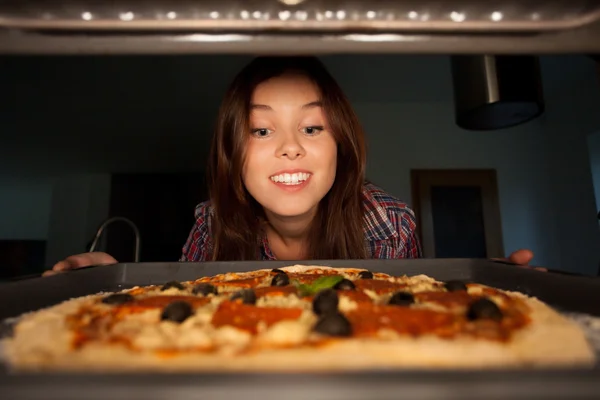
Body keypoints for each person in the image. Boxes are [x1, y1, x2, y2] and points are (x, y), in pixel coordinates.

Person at [44, 56, 535, 277]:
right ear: (233, 153)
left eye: (313, 127)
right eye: (261, 131)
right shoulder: (211, 222)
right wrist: (113, 286)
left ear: (341, 143)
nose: (290, 148)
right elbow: (189, 315)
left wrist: (470, 292)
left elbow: (409, 325)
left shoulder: (389, 223)